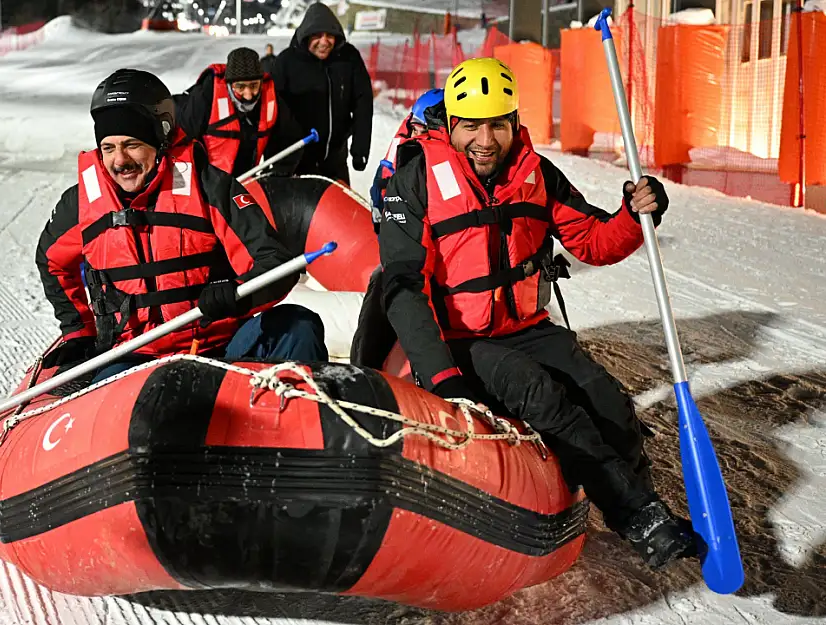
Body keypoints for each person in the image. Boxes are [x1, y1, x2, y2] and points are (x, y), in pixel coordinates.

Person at [373, 57, 698, 569]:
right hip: (458, 338)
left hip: (525, 326)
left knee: (610, 403)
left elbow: (591, 239)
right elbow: (404, 290)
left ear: (514, 123)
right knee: (543, 397)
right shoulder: (414, 184)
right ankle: (638, 515)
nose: (485, 139)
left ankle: (635, 502)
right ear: (452, 126)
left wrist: (636, 217)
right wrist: (442, 376)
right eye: (472, 126)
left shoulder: (536, 174)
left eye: (498, 124)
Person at [37, 68, 328, 383]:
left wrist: (237, 295)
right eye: (109, 147)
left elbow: (274, 261)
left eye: (132, 144)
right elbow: (52, 262)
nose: (120, 160)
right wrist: (77, 330)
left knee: (299, 325)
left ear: (160, 139)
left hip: (220, 349)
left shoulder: (208, 186)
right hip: (133, 360)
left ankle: (307, 419)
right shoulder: (81, 204)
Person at [271, 2, 373, 183]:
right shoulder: (287, 62)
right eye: (317, 35)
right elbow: (272, 112)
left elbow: (362, 102)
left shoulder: (348, 58)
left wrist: (360, 148)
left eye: (330, 35)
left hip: (335, 159)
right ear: (305, 36)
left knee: (338, 210)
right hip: (296, 162)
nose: (324, 42)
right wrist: (276, 158)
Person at [175, 47, 305, 179]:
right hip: (206, 181)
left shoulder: (271, 98)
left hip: (245, 181)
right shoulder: (206, 96)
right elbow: (181, 144)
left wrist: (279, 172)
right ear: (229, 84)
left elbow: (290, 139)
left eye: (254, 86)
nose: (248, 95)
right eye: (240, 87)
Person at [368, 88, 445, 232]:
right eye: (415, 130)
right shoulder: (401, 151)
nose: (417, 137)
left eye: (425, 132)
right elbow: (382, 181)